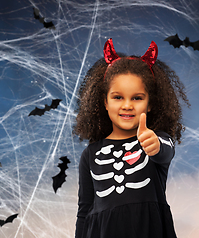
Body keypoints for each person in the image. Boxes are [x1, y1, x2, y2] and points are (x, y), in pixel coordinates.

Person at [73, 38, 189, 238]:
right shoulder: (90, 154)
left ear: (150, 103)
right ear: (105, 102)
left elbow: (165, 150)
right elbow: (84, 210)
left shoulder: (156, 140)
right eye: (118, 97)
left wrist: (155, 145)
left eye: (137, 98)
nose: (127, 105)